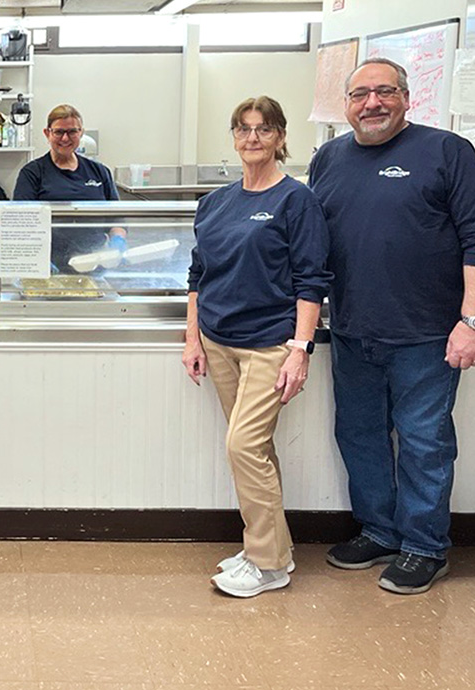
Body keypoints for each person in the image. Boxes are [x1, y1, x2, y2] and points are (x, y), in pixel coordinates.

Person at [309, 58, 475, 595]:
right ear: (346, 105)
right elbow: (310, 240)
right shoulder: (328, 159)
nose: (371, 103)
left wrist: (474, 320)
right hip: (352, 330)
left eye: (384, 91)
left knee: (424, 441)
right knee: (359, 434)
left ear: (406, 97)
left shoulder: (446, 152)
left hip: (427, 334)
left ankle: (424, 546)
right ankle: (380, 531)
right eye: (359, 94)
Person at [183, 96, 330, 598]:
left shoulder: (296, 200)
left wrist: (300, 349)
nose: (252, 138)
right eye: (243, 129)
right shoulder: (216, 202)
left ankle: (268, 564)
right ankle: (269, 548)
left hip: (270, 343)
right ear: (233, 136)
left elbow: (311, 281)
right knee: (257, 449)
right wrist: (193, 338)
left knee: (243, 446)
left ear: (280, 137)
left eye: (264, 129)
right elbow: (198, 275)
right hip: (218, 341)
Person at [13, 104, 123, 272]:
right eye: (58, 132)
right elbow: (21, 222)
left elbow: (117, 218)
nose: (65, 138)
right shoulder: (32, 173)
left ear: (81, 132)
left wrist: (118, 240)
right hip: (49, 264)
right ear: (47, 133)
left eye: (72, 132)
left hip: (95, 262)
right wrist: (37, 259)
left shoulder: (99, 171)